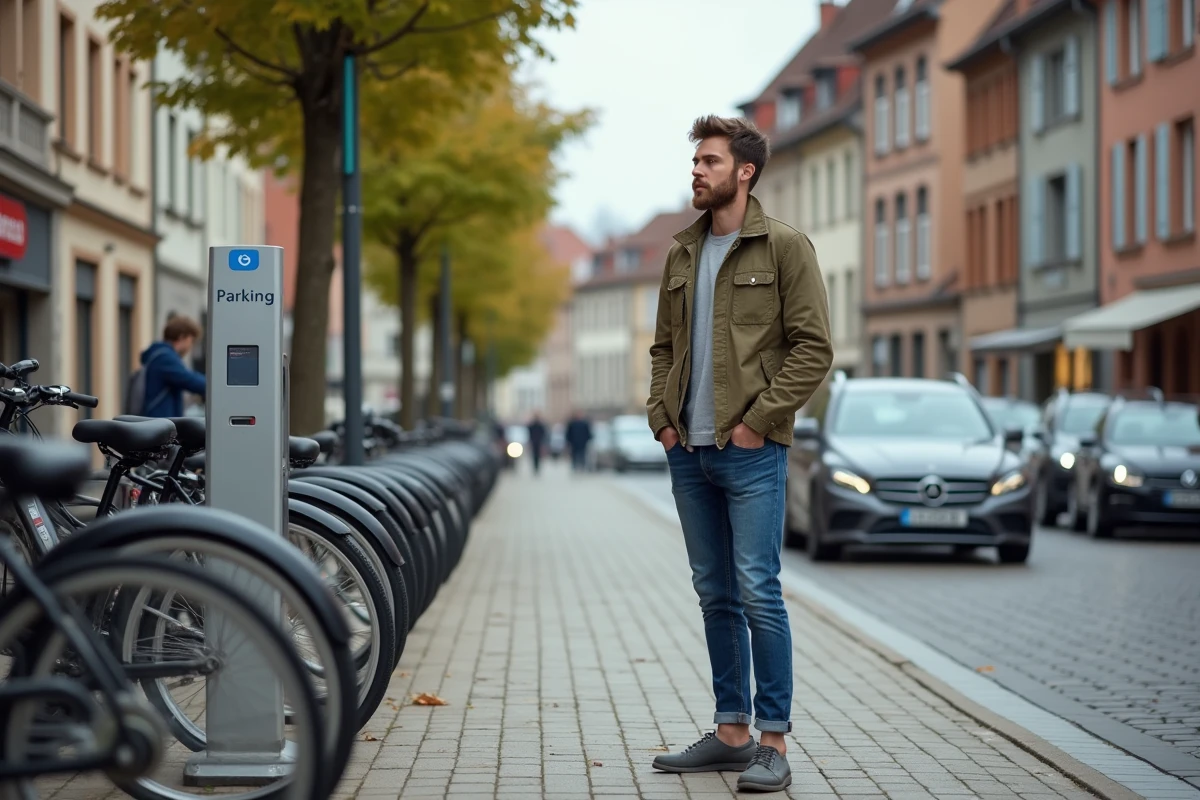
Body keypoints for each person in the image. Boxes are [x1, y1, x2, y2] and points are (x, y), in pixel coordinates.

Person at [645, 115, 833, 793]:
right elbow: (664, 347)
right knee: (715, 594)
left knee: (758, 591)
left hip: (750, 452)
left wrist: (759, 421)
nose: (696, 171)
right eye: (696, 161)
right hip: (688, 452)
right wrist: (662, 419)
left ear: (745, 172)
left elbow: (814, 349)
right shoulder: (682, 253)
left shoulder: (784, 247)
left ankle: (773, 742)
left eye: (710, 161)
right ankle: (731, 733)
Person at [139, 315, 208, 418]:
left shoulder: (160, 354)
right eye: (191, 341)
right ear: (182, 337)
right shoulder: (165, 358)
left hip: (158, 419)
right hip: (159, 421)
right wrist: (215, 385)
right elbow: (189, 380)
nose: (191, 346)